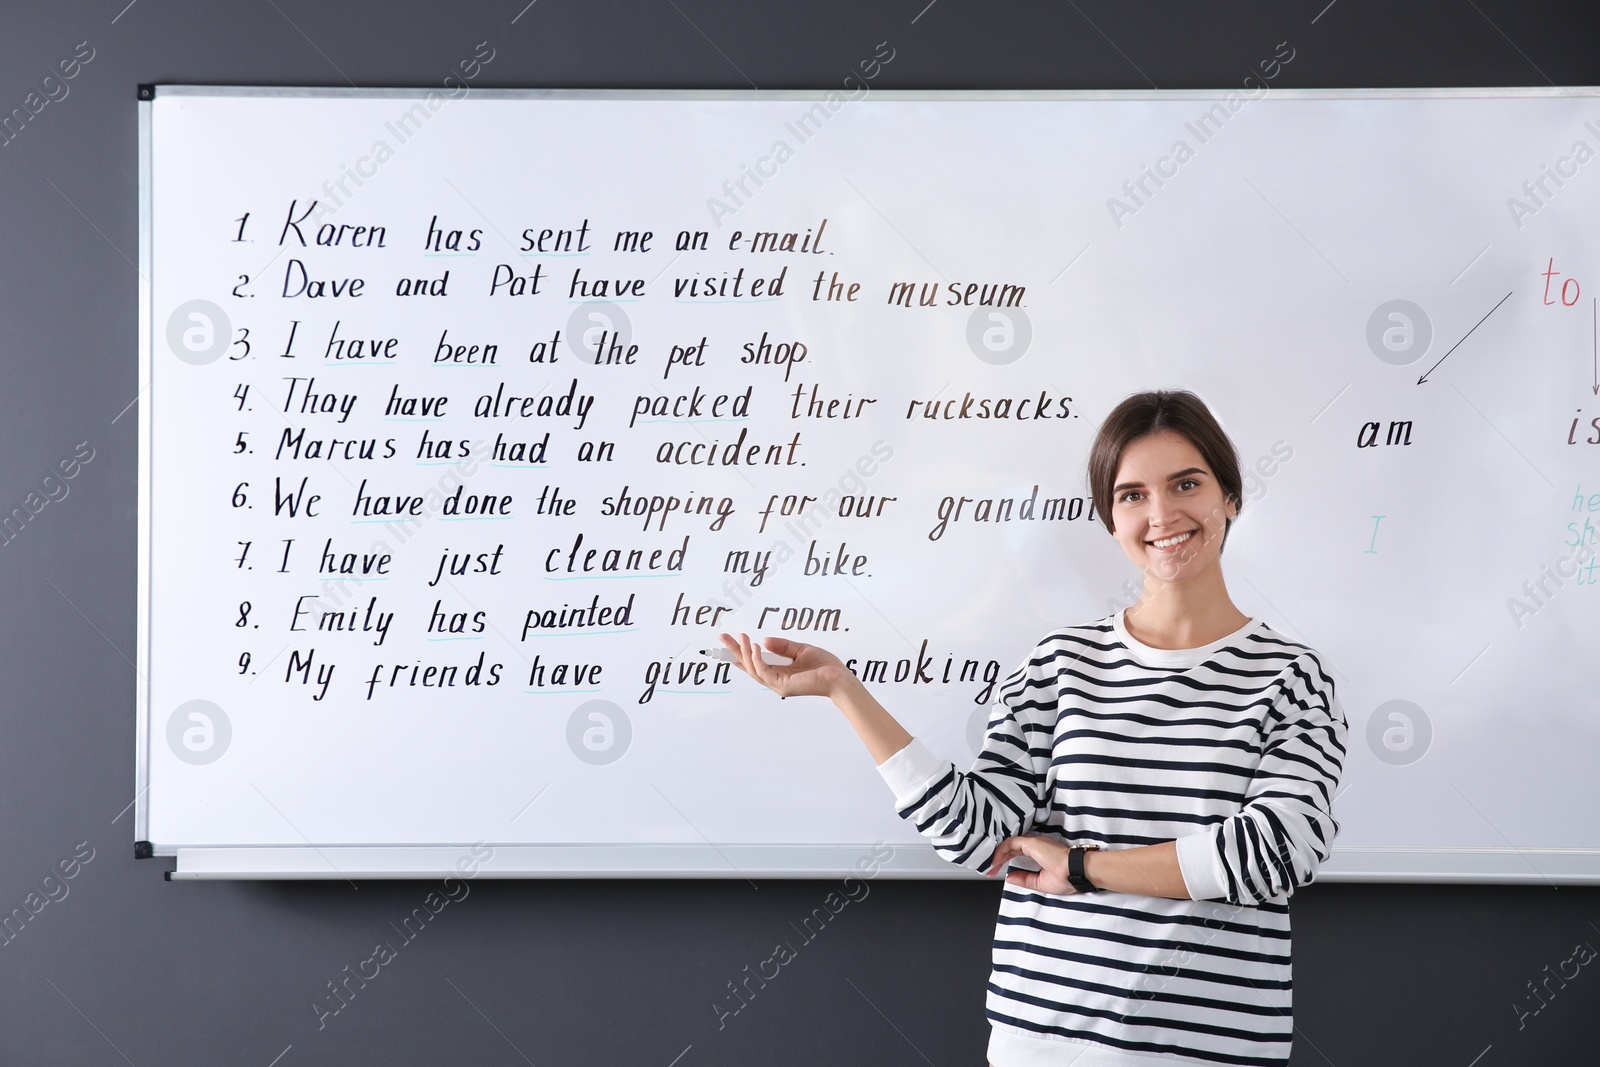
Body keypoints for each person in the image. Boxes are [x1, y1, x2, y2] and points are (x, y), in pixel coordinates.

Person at [718, 389, 1348, 1066]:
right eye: (1132, 494)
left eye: (1186, 484)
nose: (1162, 514)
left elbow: (1279, 850)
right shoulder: (1058, 665)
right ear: (1111, 519)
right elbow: (978, 835)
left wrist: (1084, 867)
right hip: (1039, 1041)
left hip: (1208, 1049)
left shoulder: (1291, 676)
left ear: (1230, 496)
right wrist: (845, 690)